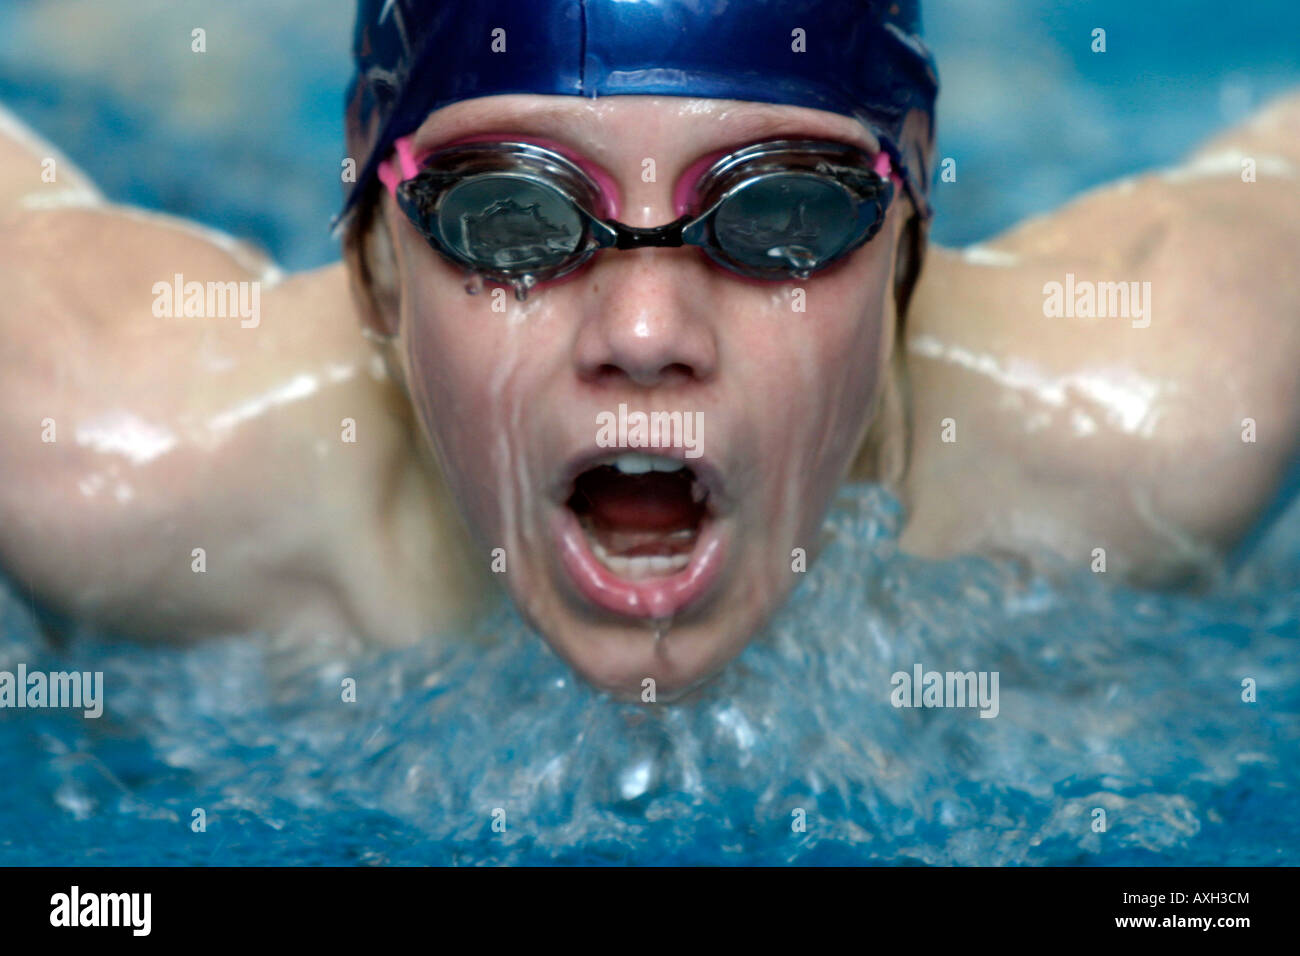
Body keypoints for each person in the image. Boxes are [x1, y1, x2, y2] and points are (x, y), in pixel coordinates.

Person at [0, 0, 1296, 701]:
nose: (644, 332)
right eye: (512, 212)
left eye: (782, 209)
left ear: (907, 225)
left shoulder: (1160, 414)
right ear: (375, 253)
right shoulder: (111, 451)